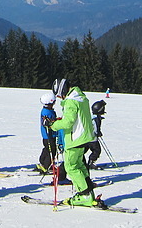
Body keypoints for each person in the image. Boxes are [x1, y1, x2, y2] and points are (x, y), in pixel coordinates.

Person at [49, 78, 99, 207]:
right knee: (80, 166)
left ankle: (84, 195)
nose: (60, 98)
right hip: (85, 137)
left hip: (75, 139)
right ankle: (89, 194)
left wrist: (53, 125)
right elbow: (76, 118)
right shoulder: (81, 98)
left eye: (60, 95)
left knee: (71, 167)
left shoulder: (71, 101)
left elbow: (68, 122)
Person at [36, 92, 60, 175]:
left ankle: (42, 162)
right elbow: (48, 123)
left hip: (46, 136)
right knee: (52, 151)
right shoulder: (47, 112)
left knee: (46, 148)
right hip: (49, 135)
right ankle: (46, 166)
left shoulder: (46, 110)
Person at [84, 100, 106, 169]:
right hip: (92, 138)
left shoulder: (91, 116)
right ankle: (91, 162)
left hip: (87, 137)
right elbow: (96, 127)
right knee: (97, 151)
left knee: (84, 150)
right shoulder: (96, 119)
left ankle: (83, 162)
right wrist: (98, 133)